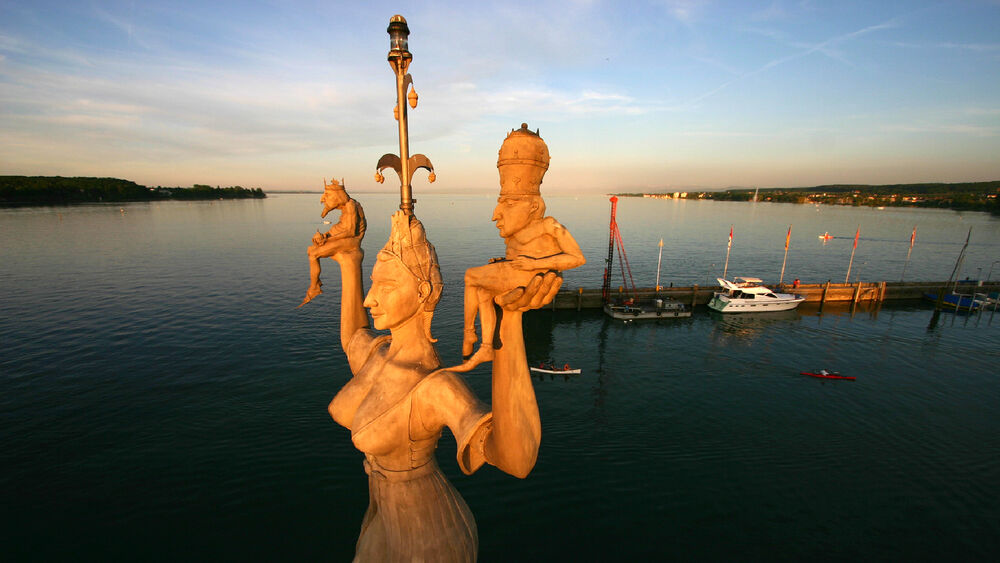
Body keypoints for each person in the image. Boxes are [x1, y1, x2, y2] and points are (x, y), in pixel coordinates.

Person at [326, 210, 560, 562]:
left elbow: (517, 462)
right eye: (374, 284)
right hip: (382, 514)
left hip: (429, 533)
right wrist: (350, 259)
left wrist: (508, 322)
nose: (369, 298)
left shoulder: (435, 388)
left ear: (423, 292)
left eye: (386, 287)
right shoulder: (378, 354)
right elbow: (352, 338)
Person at [456, 124, 585, 371]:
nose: (495, 215)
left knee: (471, 276)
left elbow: (577, 258)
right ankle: (486, 346)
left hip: (530, 274)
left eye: (509, 203)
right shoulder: (516, 233)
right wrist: (503, 263)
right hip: (519, 271)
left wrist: (536, 263)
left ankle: (469, 334)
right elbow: (519, 255)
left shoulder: (549, 225)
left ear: (534, 206)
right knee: (483, 292)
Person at [298, 178, 366, 307]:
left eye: (327, 195)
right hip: (346, 239)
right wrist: (325, 235)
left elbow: (351, 231)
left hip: (352, 241)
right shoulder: (346, 207)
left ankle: (314, 287)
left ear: (337, 196)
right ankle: (316, 284)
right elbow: (341, 227)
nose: (323, 199)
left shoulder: (350, 205)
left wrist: (327, 240)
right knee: (310, 249)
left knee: (314, 254)